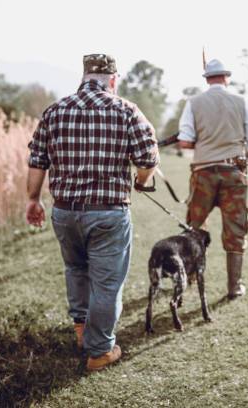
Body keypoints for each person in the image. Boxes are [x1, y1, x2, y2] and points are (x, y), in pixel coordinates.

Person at [25, 54, 158, 371]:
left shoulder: (55, 111)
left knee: (76, 270)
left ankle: (82, 332)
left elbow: (37, 160)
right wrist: (141, 182)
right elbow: (147, 159)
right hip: (108, 213)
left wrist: (33, 199)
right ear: (113, 79)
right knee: (107, 284)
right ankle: (99, 353)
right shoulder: (126, 110)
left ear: (84, 77)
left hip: (66, 212)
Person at [177, 58, 248, 299]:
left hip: (203, 173)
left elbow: (185, 141)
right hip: (233, 174)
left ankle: (190, 278)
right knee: (236, 229)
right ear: (226, 77)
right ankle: (234, 287)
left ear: (207, 79)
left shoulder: (193, 103)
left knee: (194, 226)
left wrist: (203, 141)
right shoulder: (242, 102)